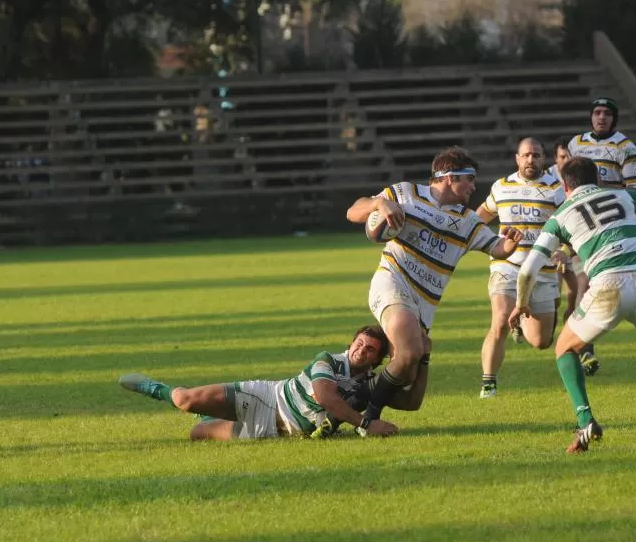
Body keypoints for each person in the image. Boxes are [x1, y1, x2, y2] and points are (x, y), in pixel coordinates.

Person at [510, 156, 636, 453]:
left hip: (608, 285)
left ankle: (585, 421)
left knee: (565, 349)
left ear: (565, 186)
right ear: (596, 178)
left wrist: (520, 304)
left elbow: (528, 269)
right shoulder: (622, 194)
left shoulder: (561, 215)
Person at [347, 146, 524, 423]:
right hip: (393, 281)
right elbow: (353, 211)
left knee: (407, 377)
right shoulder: (405, 193)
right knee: (410, 352)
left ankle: (344, 405)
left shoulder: (467, 221)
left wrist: (511, 244)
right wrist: (379, 204)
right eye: (469, 178)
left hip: (425, 302)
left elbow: (497, 248)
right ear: (449, 177)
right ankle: (368, 421)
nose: (473, 186)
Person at [117, 325, 401, 440]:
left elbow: (410, 400)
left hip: (276, 431)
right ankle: (154, 387)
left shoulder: (369, 384)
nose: (361, 350)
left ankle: (211, 413)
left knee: (197, 434)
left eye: (370, 350)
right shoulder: (327, 360)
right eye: (360, 344)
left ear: (377, 360)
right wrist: (366, 424)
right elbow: (326, 398)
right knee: (185, 401)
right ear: (351, 343)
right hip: (266, 398)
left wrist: (419, 358)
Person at [475, 137, 569, 398]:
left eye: (536, 155)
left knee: (541, 342)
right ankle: (489, 384)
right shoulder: (501, 187)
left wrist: (564, 252)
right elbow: (479, 216)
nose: (531, 160)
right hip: (507, 266)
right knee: (500, 322)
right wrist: (482, 239)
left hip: (543, 269)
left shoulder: (557, 189)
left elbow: (571, 227)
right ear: (517, 158)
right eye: (526, 155)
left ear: (544, 159)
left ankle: (525, 319)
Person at [564, 97, 636, 374]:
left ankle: (579, 340)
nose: (601, 118)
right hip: (580, 223)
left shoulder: (626, 148)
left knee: (585, 285)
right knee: (580, 285)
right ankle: (582, 345)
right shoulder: (576, 144)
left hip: (609, 226)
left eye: (607, 113)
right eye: (597, 113)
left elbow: (635, 191)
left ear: (614, 119)